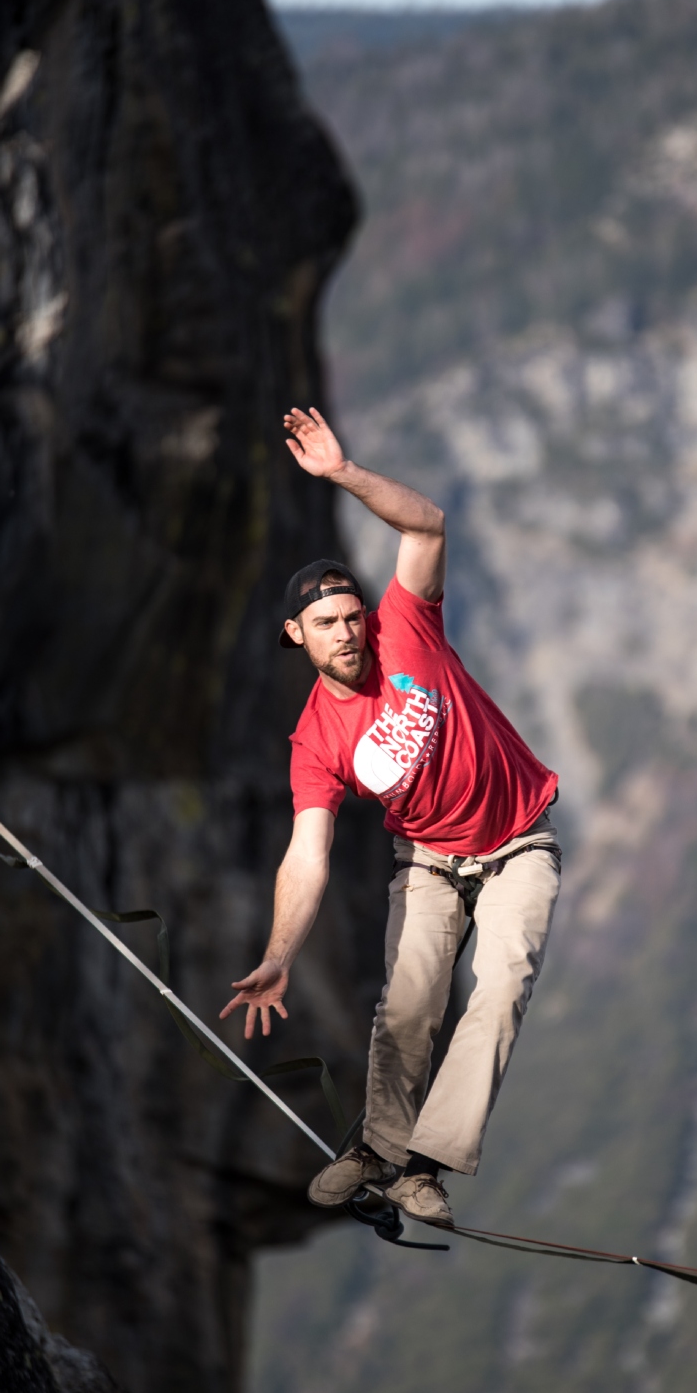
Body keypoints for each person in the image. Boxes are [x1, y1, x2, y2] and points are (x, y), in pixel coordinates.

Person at [220, 407, 560, 1227]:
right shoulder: (314, 740)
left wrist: (342, 475)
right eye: (327, 624)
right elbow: (308, 855)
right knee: (408, 1005)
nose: (348, 633)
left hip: (520, 843)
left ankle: (427, 1166)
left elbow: (428, 523)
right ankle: (377, 1147)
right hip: (431, 861)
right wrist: (277, 956)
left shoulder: (407, 625)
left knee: (502, 983)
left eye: (352, 616)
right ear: (294, 636)